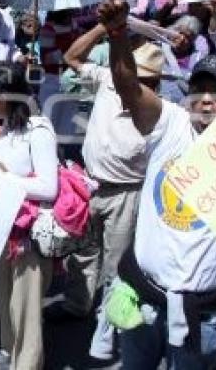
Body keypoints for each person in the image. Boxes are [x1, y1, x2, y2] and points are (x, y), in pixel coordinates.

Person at [97, 0, 216, 369]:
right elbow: (129, 86)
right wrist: (116, 33)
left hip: (204, 309)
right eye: (200, 91)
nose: (207, 100)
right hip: (144, 297)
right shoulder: (172, 124)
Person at [58, 28, 163, 352]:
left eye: (146, 81)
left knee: (117, 267)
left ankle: (105, 333)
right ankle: (78, 304)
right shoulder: (107, 79)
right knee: (82, 252)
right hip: (91, 185)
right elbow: (71, 57)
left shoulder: (158, 112)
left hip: (126, 194)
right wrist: (102, 28)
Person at [0, 62, 59, 370]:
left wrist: (2, 179)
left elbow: (48, 186)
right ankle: (9, 350)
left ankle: (27, 363)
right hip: (7, 229)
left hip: (28, 235)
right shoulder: (8, 126)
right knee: (6, 298)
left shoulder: (38, 130)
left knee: (26, 308)